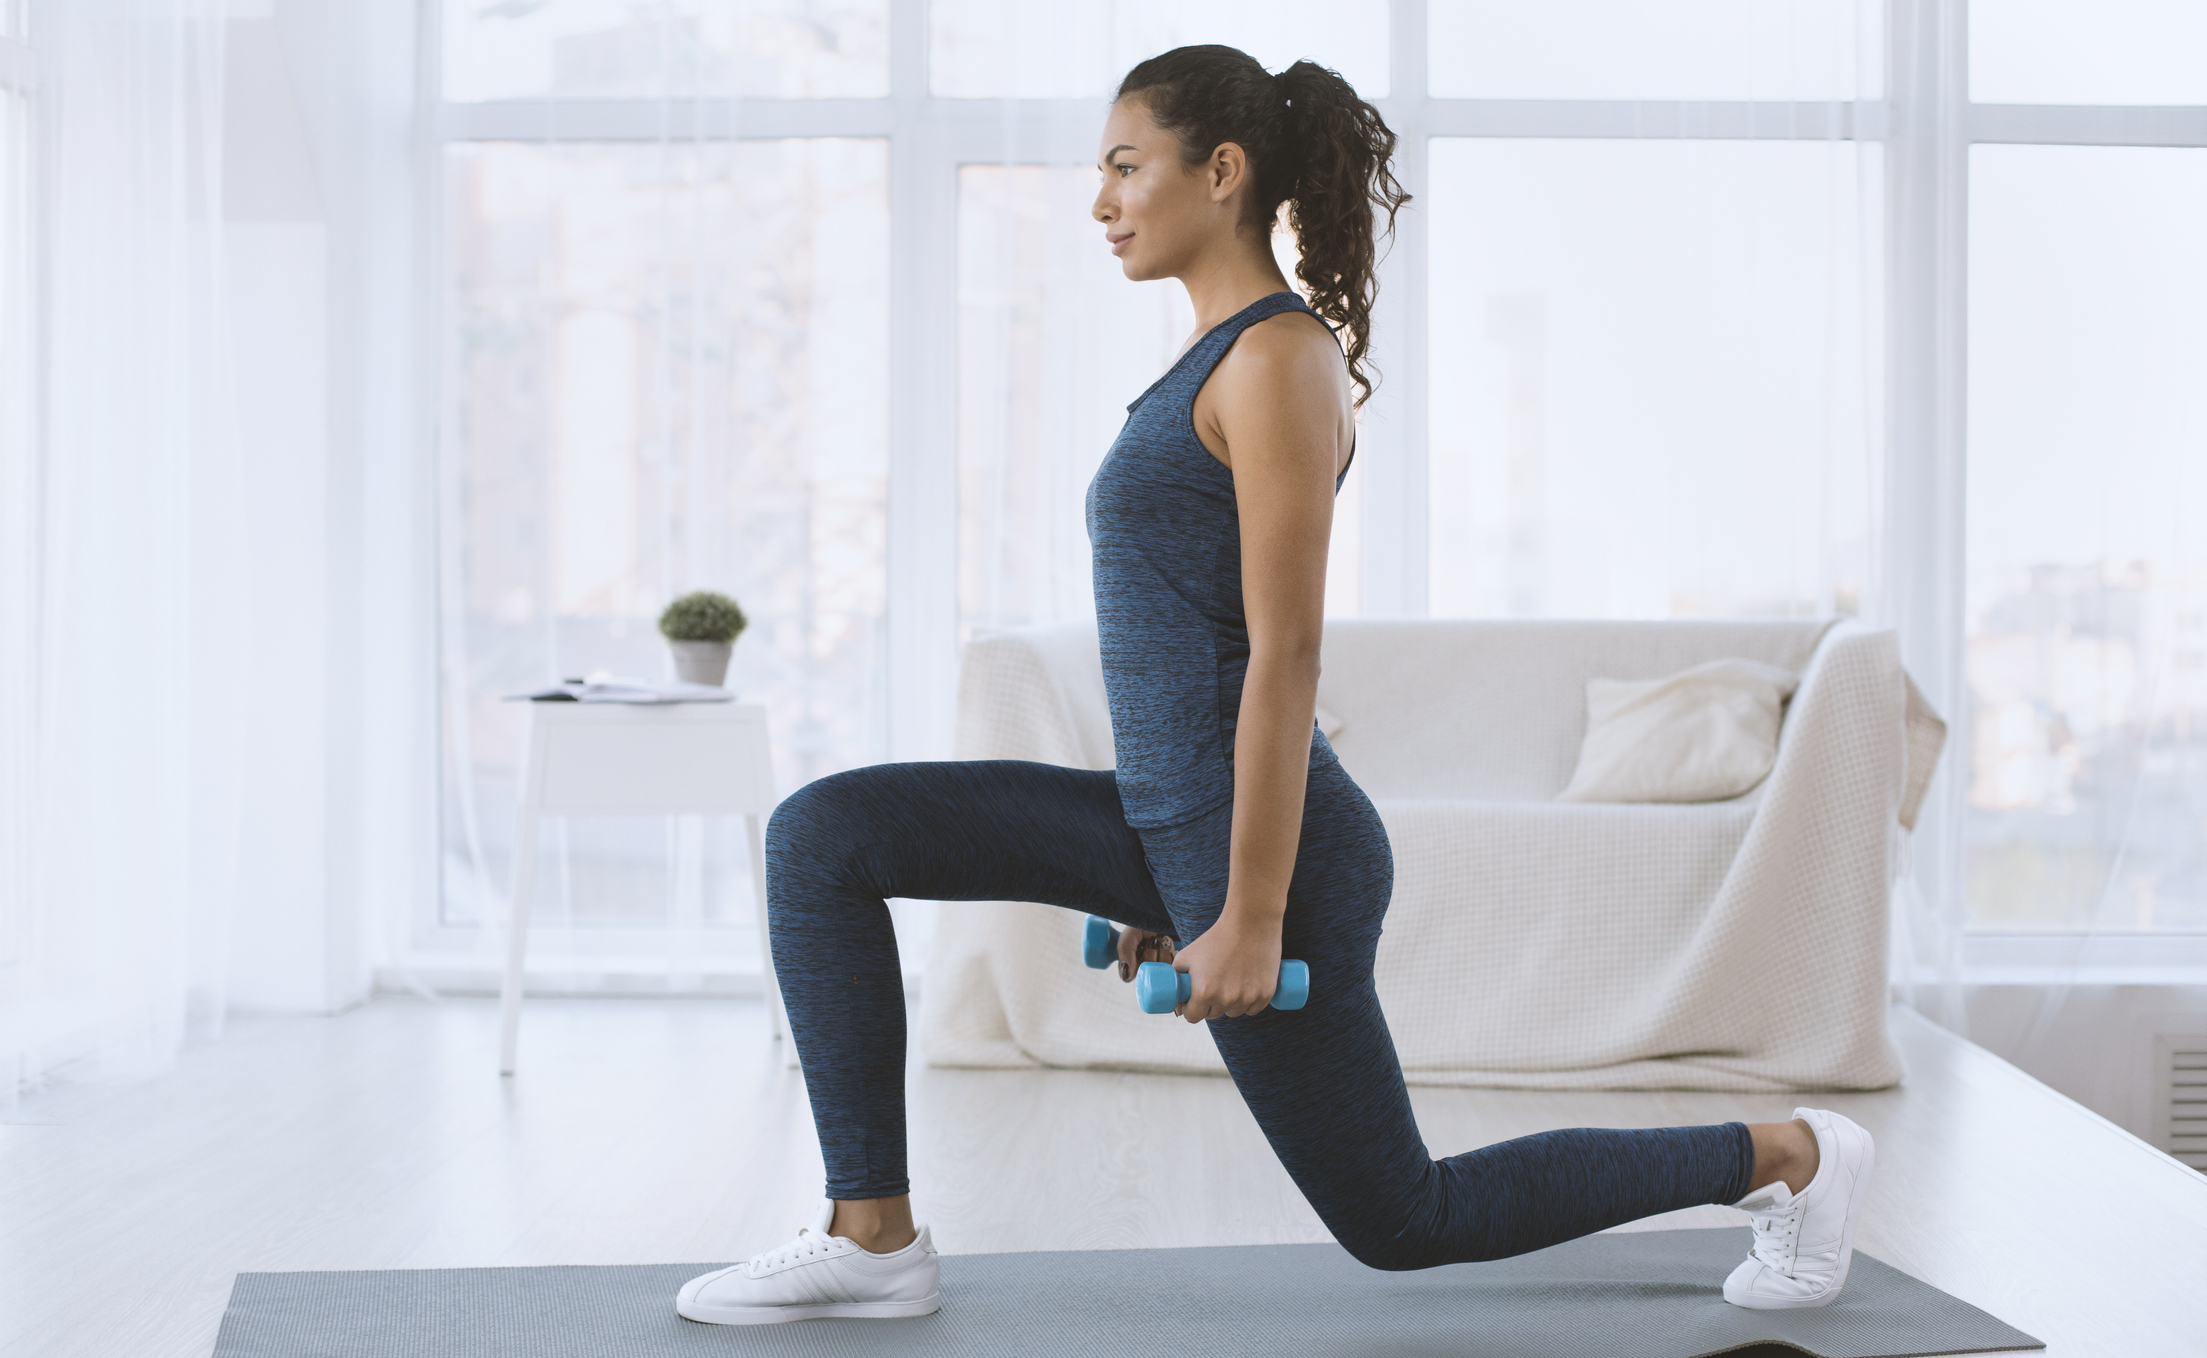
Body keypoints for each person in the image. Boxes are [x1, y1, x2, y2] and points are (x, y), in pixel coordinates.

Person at [673, 44, 1874, 1327]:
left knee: (1405, 1219)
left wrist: (1243, 910)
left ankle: (1791, 1154)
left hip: (1277, 856)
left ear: (1221, 170)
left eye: (1125, 168)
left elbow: (1286, 653)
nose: (1101, 203)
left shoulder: (1275, 360)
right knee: (821, 836)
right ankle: (871, 1233)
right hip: (1165, 822)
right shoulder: (1209, 361)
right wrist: (1149, 876)